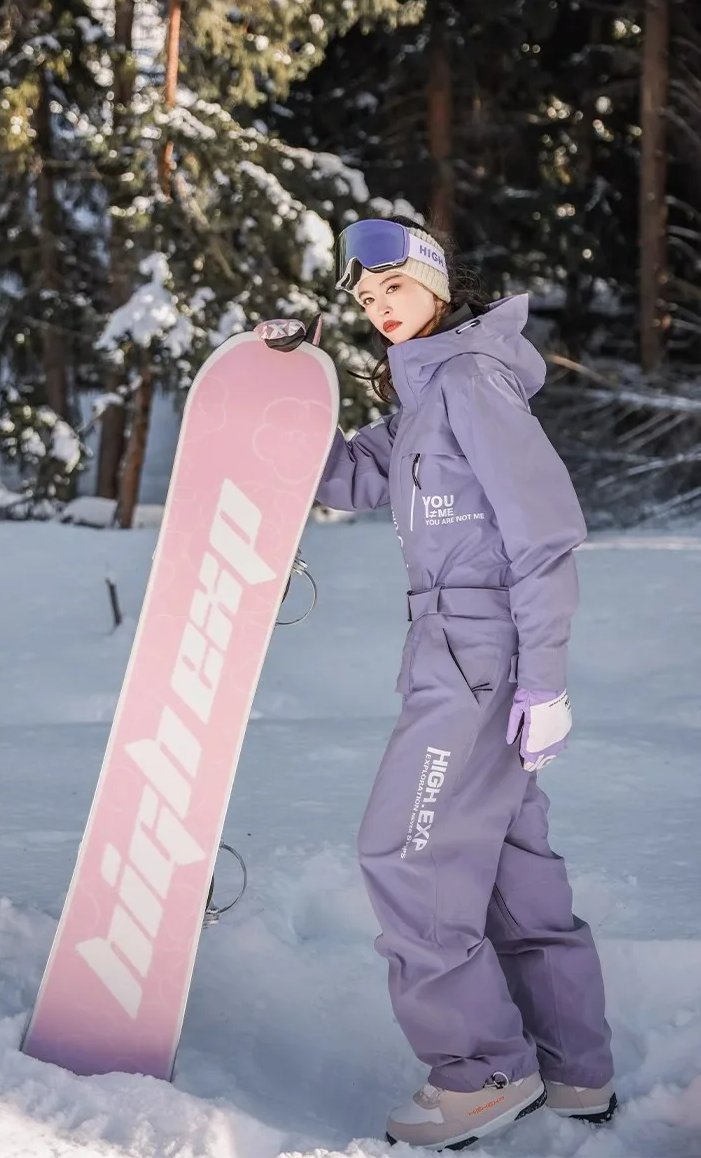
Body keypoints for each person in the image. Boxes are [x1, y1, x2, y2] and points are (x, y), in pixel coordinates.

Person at [315, 216, 616, 1150]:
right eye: (365, 300)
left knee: (409, 855)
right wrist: (275, 403)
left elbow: (544, 531)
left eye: (393, 290)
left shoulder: (472, 381)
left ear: (438, 285)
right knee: (502, 868)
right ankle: (572, 1069)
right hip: (457, 643)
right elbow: (348, 477)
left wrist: (547, 681)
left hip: (478, 648)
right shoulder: (424, 394)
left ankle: (482, 1071)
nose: (378, 310)